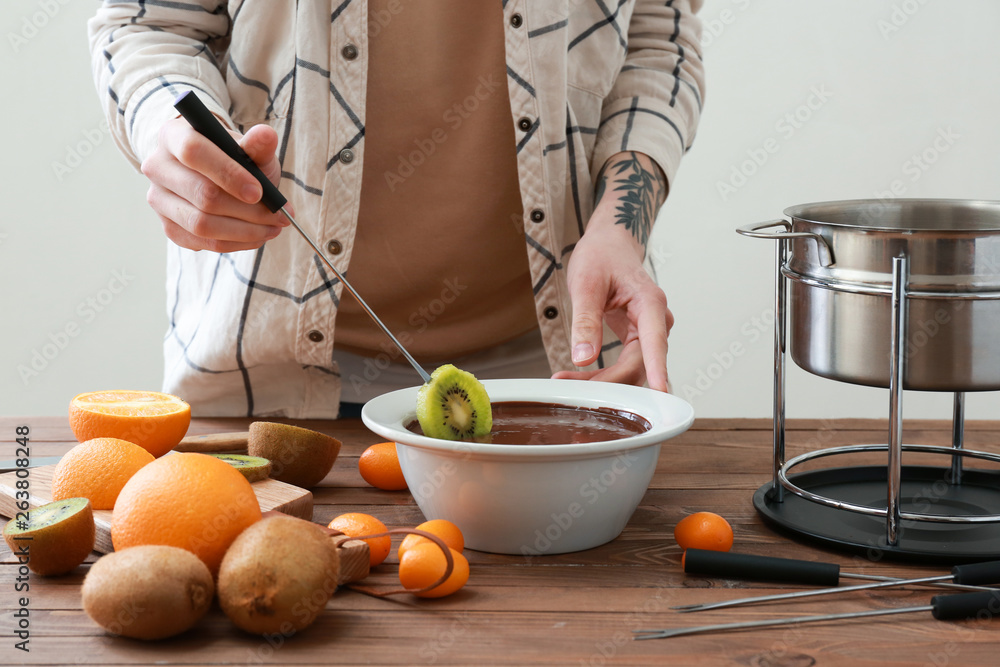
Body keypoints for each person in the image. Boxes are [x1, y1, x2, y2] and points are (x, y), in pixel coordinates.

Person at [88, 1, 705, 418]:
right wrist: (170, 126)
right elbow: (152, 24)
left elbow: (656, 39)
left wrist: (621, 225)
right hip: (266, 377)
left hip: (546, 372)